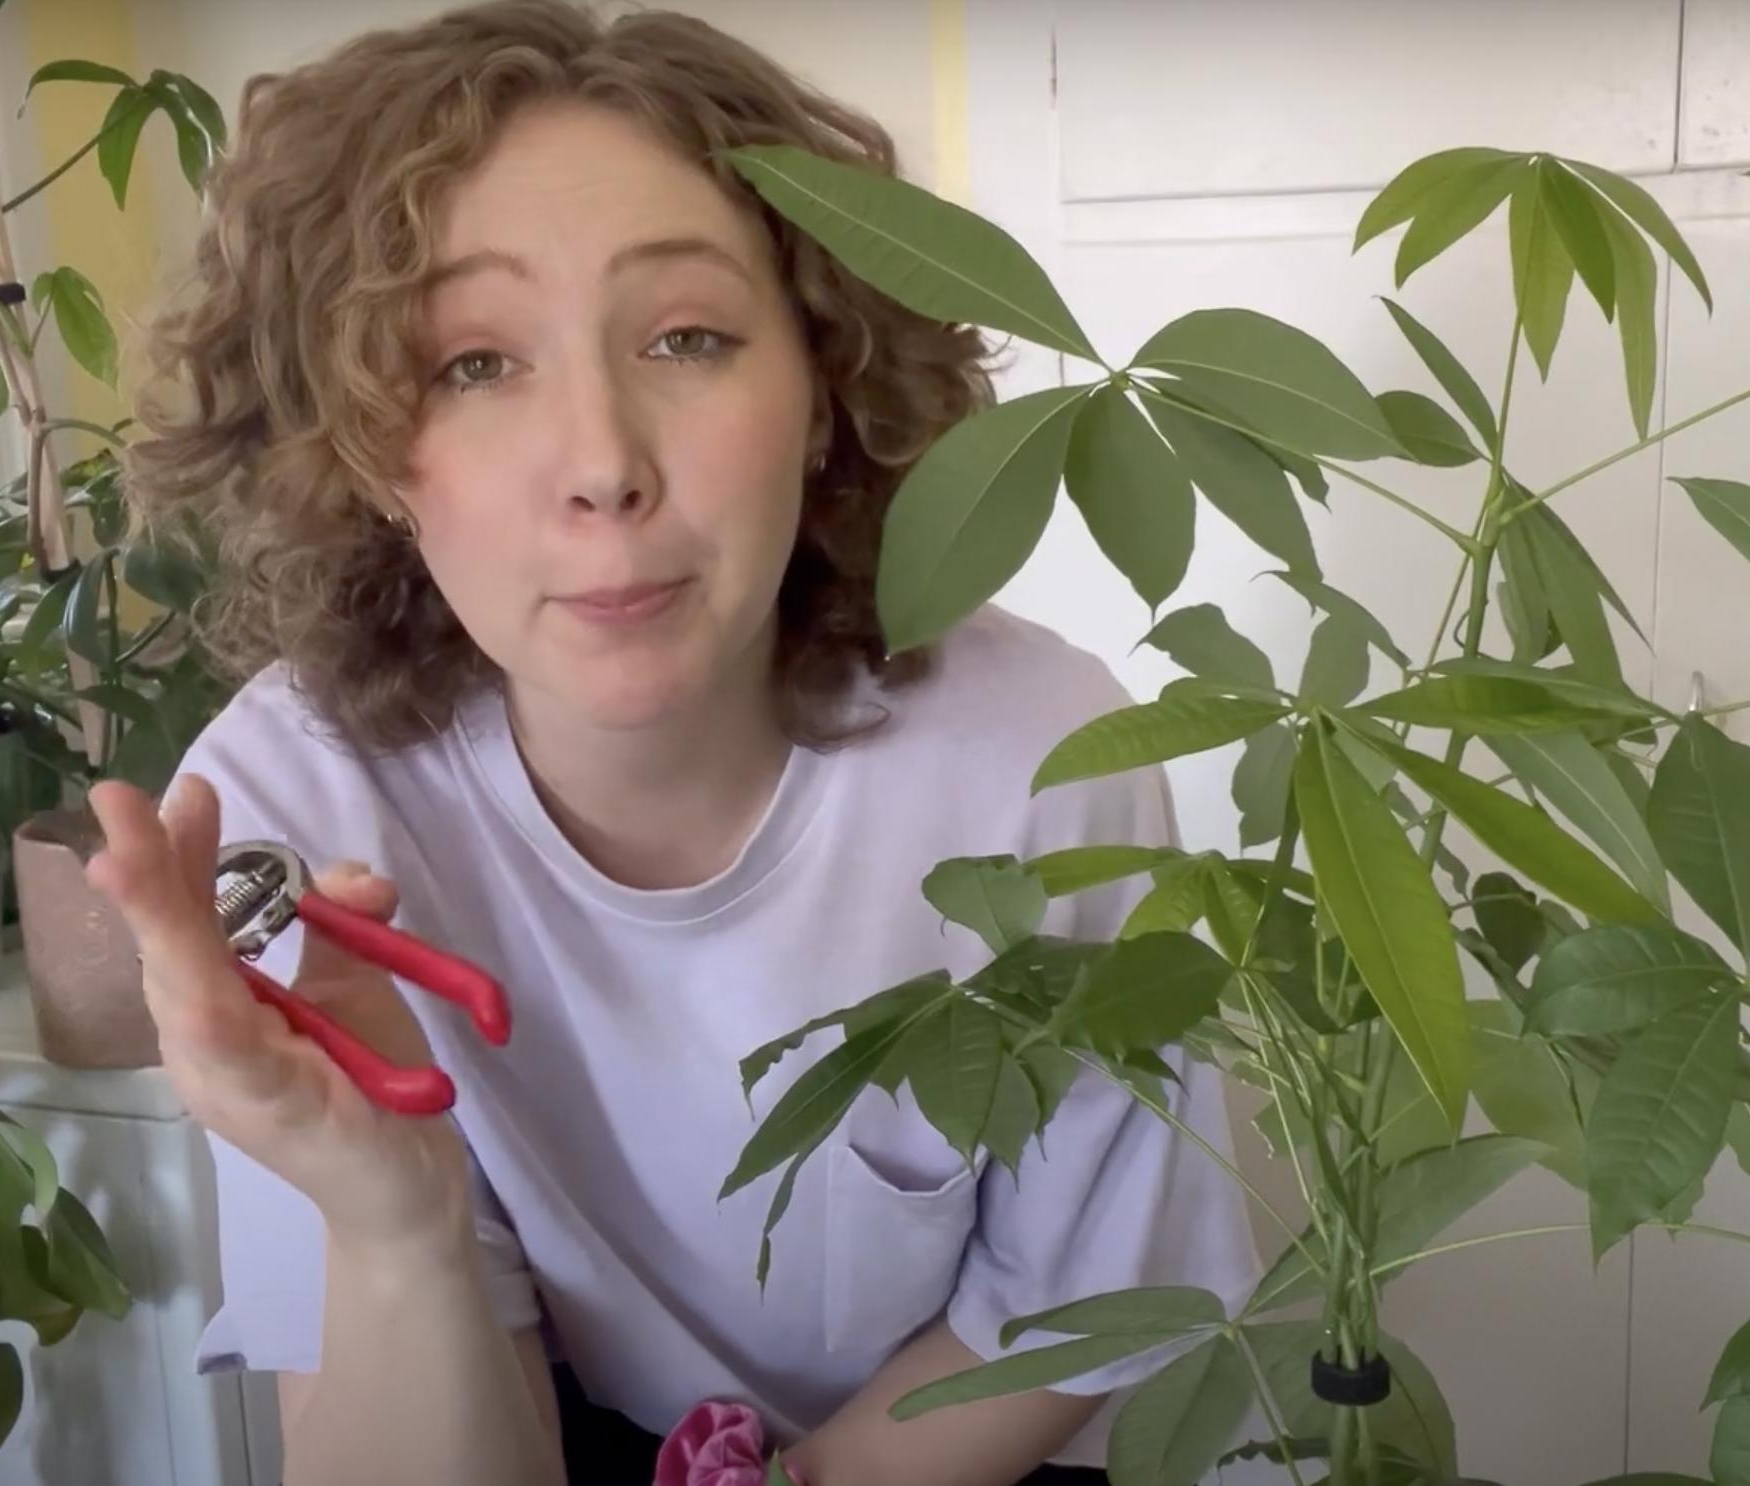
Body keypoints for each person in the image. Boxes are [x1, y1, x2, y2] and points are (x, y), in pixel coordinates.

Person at [91, 3, 1256, 1482]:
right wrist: (395, 1224)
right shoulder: (287, 807)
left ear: (827, 392)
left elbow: (1068, 1308)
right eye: (471, 363)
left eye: (687, 337)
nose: (602, 466)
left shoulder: (1042, 757)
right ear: (369, 454)